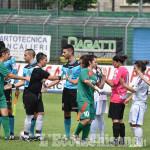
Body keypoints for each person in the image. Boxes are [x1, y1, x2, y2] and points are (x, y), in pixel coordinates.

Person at [19, 52, 61, 141]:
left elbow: (44, 79)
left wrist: (44, 84)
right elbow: (50, 77)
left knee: (41, 115)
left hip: (38, 95)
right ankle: (26, 136)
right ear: (41, 60)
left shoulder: (39, 70)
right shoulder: (37, 70)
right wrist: (62, 77)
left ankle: (38, 135)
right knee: (30, 116)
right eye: (45, 60)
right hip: (30, 95)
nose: (47, 62)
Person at [46, 44, 82, 141]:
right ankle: (67, 136)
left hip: (76, 91)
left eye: (64, 52)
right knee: (66, 112)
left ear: (70, 52)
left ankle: (80, 135)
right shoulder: (65, 66)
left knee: (81, 113)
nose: (63, 54)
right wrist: (47, 86)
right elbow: (60, 78)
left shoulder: (79, 65)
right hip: (66, 91)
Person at [73, 55, 107, 145]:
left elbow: (100, 86)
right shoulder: (84, 71)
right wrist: (93, 87)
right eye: (95, 62)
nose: (96, 64)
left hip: (91, 99)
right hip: (83, 99)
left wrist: (104, 77)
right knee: (86, 119)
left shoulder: (94, 75)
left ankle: (84, 141)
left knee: (90, 121)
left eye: (97, 62)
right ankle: (76, 134)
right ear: (90, 62)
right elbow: (85, 81)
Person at [0, 47, 29, 140]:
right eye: (8, 54)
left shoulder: (3, 65)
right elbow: (10, 75)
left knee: (5, 112)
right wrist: (24, 78)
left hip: (1, 94)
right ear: (3, 54)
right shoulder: (0, 64)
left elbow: (7, 76)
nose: (9, 56)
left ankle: (8, 135)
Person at [120, 60, 149, 147]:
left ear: (140, 68)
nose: (134, 70)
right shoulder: (139, 78)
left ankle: (139, 143)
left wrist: (123, 84)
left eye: (135, 68)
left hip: (139, 104)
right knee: (132, 123)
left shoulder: (141, 79)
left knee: (137, 124)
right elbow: (135, 92)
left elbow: (133, 90)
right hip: (135, 103)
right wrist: (129, 98)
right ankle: (137, 141)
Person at [105, 55, 129, 146]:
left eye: (114, 62)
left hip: (116, 97)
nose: (113, 63)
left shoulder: (118, 70)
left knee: (115, 119)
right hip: (123, 97)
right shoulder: (125, 70)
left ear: (119, 62)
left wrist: (104, 77)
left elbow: (112, 84)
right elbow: (117, 81)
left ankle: (115, 141)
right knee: (120, 119)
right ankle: (122, 141)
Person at [0, 41, 20, 139]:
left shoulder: (10, 59)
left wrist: (16, 87)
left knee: (8, 109)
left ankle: (10, 133)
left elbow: (14, 71)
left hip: (6, 86)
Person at [90, 68, 108, 144]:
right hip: (102, 93)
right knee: (100, 116)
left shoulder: (91, 71)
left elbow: (98, 84)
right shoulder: (97, 69)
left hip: (97, 94)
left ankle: (92, 139)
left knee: (94, 116)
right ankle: (101, 138)